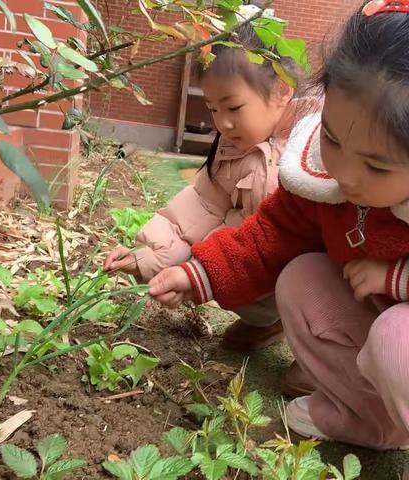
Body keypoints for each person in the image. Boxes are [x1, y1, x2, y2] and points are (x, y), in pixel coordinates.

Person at [148, 0, 409, 454]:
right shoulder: (320, 180)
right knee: (301, 277)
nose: (345, 173)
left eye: (375, 165)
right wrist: (200, 273)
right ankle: (371, 419)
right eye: (332, 138)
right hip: (377, 325)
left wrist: (395, 277)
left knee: (395, 342)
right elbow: (270, 235)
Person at [104, 19, 319, 355]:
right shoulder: (231, 149)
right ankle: (270, 321)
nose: (222, 123)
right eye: (214, 109)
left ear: (282, 91)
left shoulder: (319, 145)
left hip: (311, 274)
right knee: (207, 259)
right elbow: (198, 208)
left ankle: (317, 355)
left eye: (234, 107)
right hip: (254, 263)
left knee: (311, 277)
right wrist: (145, 257)